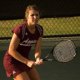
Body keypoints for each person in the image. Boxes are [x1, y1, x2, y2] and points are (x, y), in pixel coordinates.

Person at [3, 4, 43, 80]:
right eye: (32, 15)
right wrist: (27, 62)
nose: (35, 17)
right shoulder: (20, 29)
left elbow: (37, 49)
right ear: (27, 16)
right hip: (11, 61)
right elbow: (11, 50)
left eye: (37, 15)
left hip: (24, 59)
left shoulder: (39, 29)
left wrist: (37, 58)